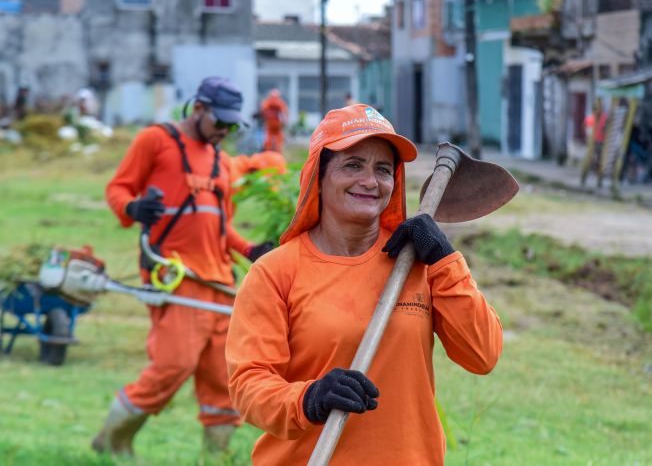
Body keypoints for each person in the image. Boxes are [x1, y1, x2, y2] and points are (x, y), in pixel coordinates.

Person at [226, 104, 503, 465]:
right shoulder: (276, 272)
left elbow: (482, 354)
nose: (370, 181)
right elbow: (248, 386)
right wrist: (309, 399)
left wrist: (445, 259)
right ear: (318, 176)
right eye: (353, 165)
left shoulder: (417, 263)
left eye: (383, 170)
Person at [93, 77, 273, 457]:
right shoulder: (155, 140)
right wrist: (133, 208)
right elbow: (117, 189)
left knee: (223, 378)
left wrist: (252, 249)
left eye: (231, 124)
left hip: (221, 283)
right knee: (172, 366)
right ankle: (111, 442)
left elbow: (219, 227)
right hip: (177, 278)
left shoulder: (220, 161)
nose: (224, 130)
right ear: (198, 108)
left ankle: (215, 458)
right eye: (219, 121)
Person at [259, 89, 289, 153]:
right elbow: (285, 113)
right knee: (278, 138)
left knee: (268, 137)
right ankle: (278, 152)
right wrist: (285, 123)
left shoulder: (267, 102)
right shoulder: (281, 102)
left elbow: (263, 111)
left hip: (269, 123)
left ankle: (267, 151)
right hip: (278, 124)